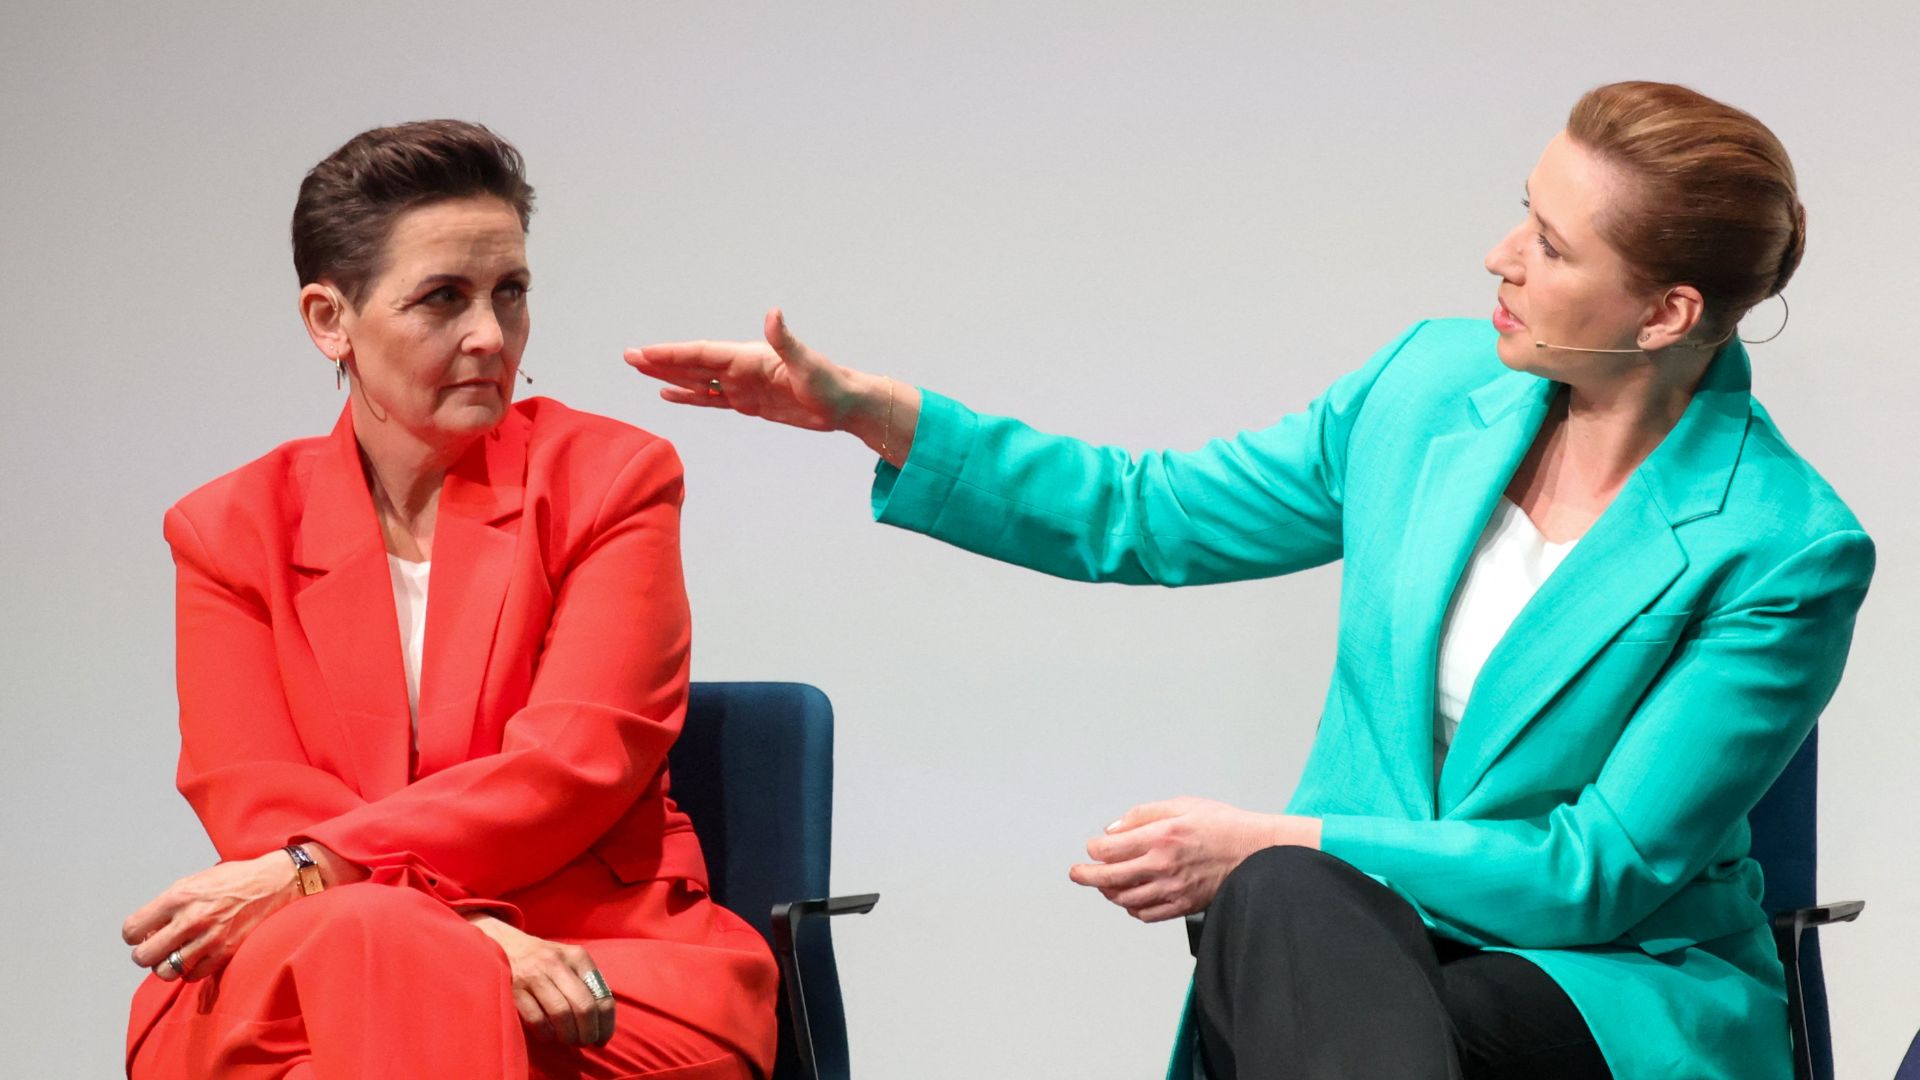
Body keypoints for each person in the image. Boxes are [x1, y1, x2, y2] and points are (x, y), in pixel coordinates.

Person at [624, 81, 1873, 1079]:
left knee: (1284, 892)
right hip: (1344, 953)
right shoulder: (1427, 389)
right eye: (1520, 212)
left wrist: (1280, 838)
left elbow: (1595, 874)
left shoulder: (1783, 546)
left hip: (1604, 990)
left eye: (1549, 245)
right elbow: (1149, 512)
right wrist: (876, 419)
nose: (1499, 254)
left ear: (1666, 313)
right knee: (1297, 917)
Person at [120, 120, 777, 1079]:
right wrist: (459, 933)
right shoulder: (227, 530)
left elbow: (571, 769)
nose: (488, 335)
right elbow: (253, 794)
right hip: (328, 949)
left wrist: (356, 892)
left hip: (596, 966)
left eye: (510, 293)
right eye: (442, 298)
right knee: (380, 969)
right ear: (328, 319)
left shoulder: (612, 479)